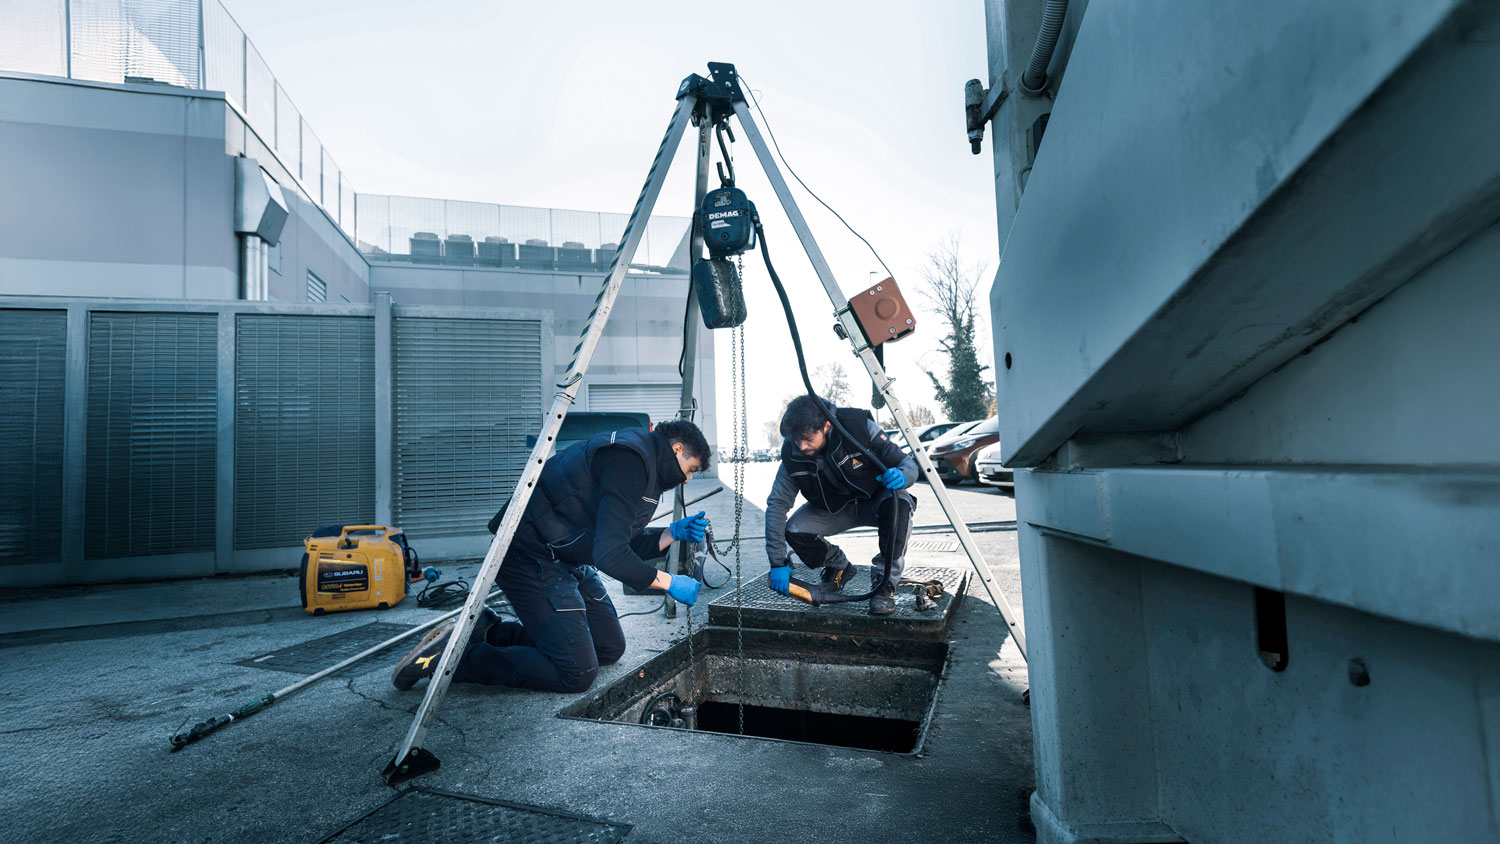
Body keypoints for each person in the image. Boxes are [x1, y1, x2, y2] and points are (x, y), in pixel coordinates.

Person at [391, 419, 712, 693]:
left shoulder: (647, 471)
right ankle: (450, 660)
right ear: (677, 449)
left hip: (565, 556)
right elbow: (611, 556)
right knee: (576, 672)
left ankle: (491, 632)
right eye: (691, 469)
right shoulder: (629, 459)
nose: (687, 479)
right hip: (527, 554)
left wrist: (672, 533)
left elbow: (622, 542)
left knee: (609, 648)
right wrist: (668, 582)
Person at [764, 395, 916, 615]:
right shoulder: (792, 454)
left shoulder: (859, 427)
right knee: (794, 530)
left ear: (826, 426)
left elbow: (906, 462)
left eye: (808, 438)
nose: (801, 446)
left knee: (900, 503)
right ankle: (838, 568)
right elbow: (777, 505)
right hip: (835, 509)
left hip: (876, 501)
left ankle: (884, 585)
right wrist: (777, 562)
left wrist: (904, 475)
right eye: (796, 439)